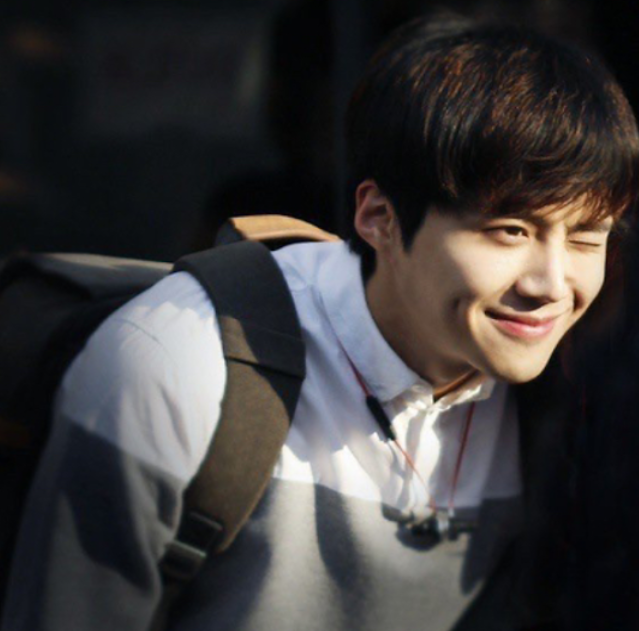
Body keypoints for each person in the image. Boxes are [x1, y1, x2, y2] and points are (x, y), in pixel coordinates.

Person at [2, 16, 638, 631]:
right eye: (511, 231)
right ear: (380, 217)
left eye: (587, 238)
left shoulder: (565, 393)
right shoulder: (177, 365)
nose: (551, 286)